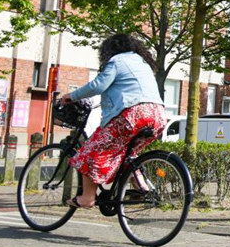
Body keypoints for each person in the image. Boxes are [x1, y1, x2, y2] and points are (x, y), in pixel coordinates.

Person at [59, 33, 165, 209]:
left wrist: (72, 96)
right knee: (126, 155)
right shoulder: (141, 62)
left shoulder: (117, 61)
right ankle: (143, 189)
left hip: (133, 114)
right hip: (157, 116)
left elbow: (98, 85)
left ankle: (87, 198)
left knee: (89, 150)